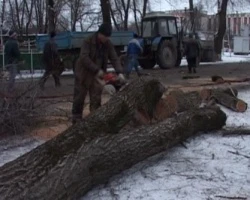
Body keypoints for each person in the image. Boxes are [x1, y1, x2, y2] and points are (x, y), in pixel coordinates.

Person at [72, 23, 125, 124]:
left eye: (108, 37)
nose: (106, 38)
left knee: (96, 97)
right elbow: (84, 58)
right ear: (100, 34)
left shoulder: (107, 44)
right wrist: (97, 70)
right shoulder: (88, 41)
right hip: (84, 73)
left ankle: (94, 119)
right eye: (105, 36)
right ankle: (76, 119)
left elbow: (114, 58)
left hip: (96, 75)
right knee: (79, 96)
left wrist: (119, 72)